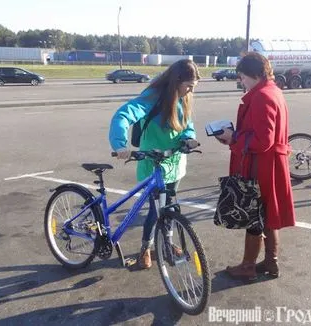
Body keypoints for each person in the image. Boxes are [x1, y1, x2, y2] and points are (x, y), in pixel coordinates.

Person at [109, 59, 200, 269]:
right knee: (154, 210)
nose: (190, 91)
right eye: (188, 86)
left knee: (169, 208)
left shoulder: (183, 98)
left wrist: (189, 138)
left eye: (193, 87)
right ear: (176, 81)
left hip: (175, 162)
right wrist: (120, 145)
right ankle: (145, 249)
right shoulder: (152, 97)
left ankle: (166, 243)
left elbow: (187, 124)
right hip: (153, 163)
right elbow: (123, 116)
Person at [215, 52, 296, 281]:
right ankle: (271, 262)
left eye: (242, 76)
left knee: (255, 215)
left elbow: (263, 140)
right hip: (271, 164)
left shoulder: (261, 96)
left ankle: (248, 266)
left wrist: (233, 138)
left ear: (252, 74)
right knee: (268, 214)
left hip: (262, 165)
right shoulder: (274, 91)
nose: (241, 81)